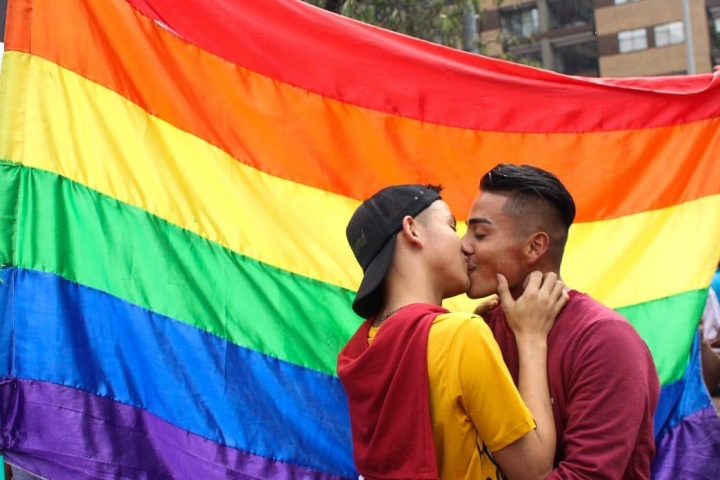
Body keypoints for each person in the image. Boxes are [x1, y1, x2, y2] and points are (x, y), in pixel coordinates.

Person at [337, 184, 568, 480]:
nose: (465, 245)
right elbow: (534, 469)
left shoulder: (363, 347)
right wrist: (531, 336)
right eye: (451, 225)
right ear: (412, 230)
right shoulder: (460, 337)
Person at [462, 163, 660, 479]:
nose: (464, 245)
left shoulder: (605, 341)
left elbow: (586, 474)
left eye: (480, 233)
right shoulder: (483, 328)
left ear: (535, 246)